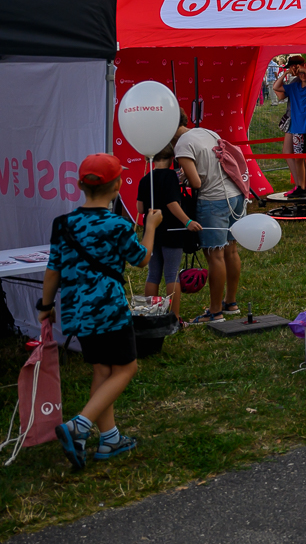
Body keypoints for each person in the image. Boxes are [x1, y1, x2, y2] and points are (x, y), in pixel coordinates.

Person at [40, 154, 162, 468]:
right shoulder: (117, 225)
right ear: (117, 185)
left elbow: (53, 270)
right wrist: (150, 226)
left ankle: (109, 440)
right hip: (109, 310)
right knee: (127, 368)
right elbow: (141, 258)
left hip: (78, 312)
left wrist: (46, 306)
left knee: (102, 371)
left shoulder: (63, 224)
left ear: (80, 185)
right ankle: (78, 426)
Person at [173, 112, 244, 324]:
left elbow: (195, 183)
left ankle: (215, 312)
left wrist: (181, 179)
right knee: (231, 250)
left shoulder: (182, 146)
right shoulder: (206, 131)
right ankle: (230, 302)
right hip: (235, 195)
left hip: (213, 201)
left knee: (215, 255)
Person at [136, 145, 199, 320]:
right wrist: (187, 221)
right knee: (171, 274)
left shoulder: (146, 178)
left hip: (152, 232)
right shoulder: (171, 176)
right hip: (172, 230)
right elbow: (172, 203)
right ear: (173, 158)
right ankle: (174, 317)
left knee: (153, 274)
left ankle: (152, 315)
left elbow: (140, 207)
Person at [273, 55, 306, 198]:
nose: (301, 75)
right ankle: (301, 186)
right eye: (300, 73)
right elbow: (276, 87)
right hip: (297, 128)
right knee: (298, 158)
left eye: (304, 73)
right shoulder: (294, 86)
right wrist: (286, 73)